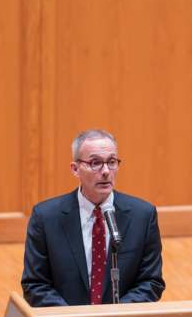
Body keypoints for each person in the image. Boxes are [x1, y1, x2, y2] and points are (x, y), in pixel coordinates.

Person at [22, 129, 165, 306]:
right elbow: (35, 284)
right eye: (95, 163)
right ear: (75, 169)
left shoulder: (142, 216)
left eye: (111, 162)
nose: (105, 171)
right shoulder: (45, 217)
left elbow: (151, 282)